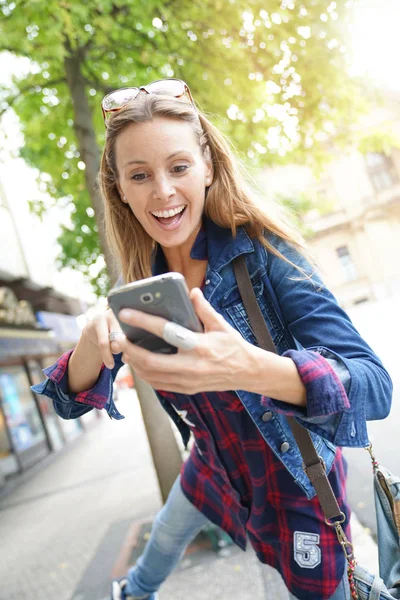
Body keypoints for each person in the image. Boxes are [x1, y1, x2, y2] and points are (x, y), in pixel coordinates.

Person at [33, 79, 392, 600]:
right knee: (166, 534)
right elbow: (68, 401)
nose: (162, 192)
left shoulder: (267, 256)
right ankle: (135, 592)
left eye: (178, 167)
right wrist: (91, 342)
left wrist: (249, 368)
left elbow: (374, 386)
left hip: (295, 487)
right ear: (120, 189)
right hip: (215, 466)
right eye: (140, 175)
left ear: (206, 167)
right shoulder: (138, 293)